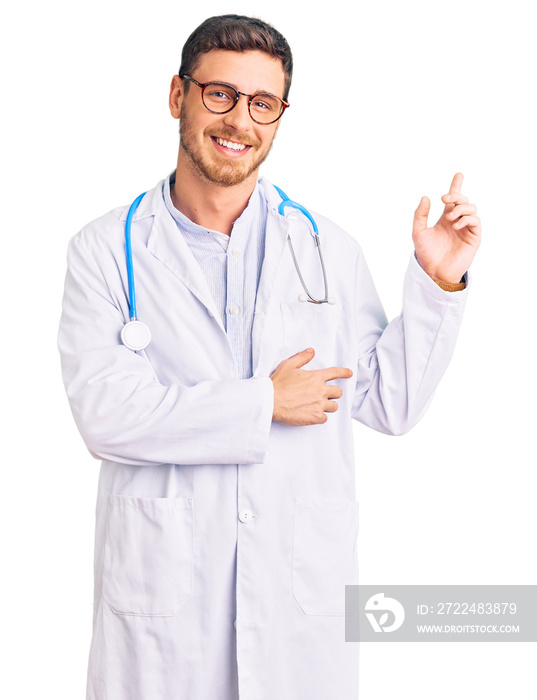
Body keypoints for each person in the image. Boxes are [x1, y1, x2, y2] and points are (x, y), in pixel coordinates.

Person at [58, 13, 481, 700]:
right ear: (178, 96)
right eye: (219, 94)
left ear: (279, 115)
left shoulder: (324, 248)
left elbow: (387, 403)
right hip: (166, 611)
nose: (239, 121)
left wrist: (437, 283)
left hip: (295, 609)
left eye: (263, 104)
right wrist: (264, 403)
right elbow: (105, 416)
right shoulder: (106, 250)